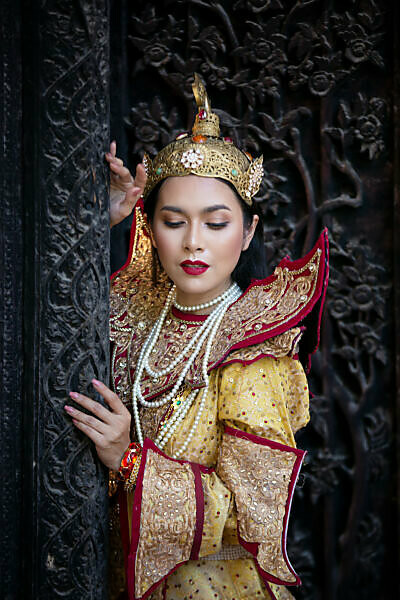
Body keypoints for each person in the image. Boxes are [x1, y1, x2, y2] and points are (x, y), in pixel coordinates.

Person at [64, 74, 328, 600]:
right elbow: (51, 310)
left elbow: (247, 518)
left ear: (248, 232)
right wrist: (102, 221)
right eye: (172, 220)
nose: (192, 242)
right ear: (150, 226)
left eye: (216, 223)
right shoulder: (129, 310)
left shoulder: (252, 353)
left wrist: (131, 461)